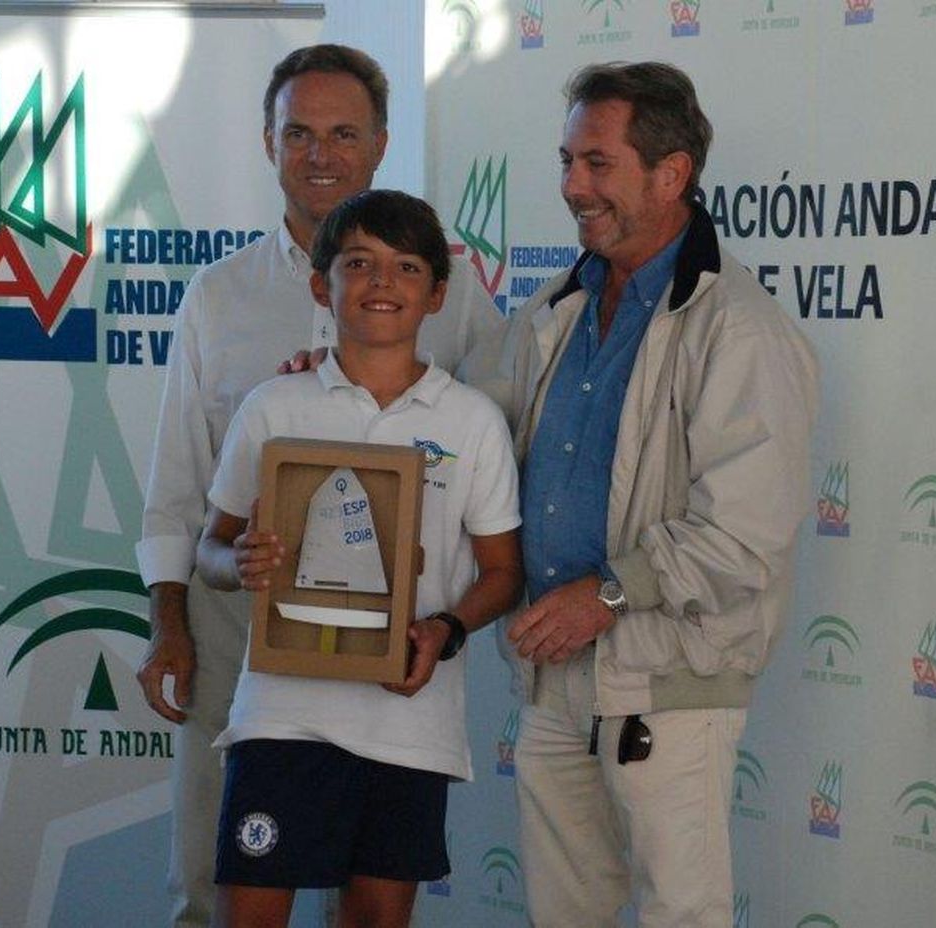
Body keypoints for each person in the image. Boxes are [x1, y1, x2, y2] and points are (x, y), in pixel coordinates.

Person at [133, 44, 502, 928]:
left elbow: (492, 461)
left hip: (392, 650)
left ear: (380, 144)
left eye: (343, 133)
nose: (321, 154)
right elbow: (180, 483)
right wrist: (169, 624)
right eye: (298, 133)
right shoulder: (217, 297)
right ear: (269, 142)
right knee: (210, 880)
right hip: (241, 640)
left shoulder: (454, 294)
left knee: (369, 900)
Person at [493, 61, 819, 927]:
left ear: (671, 175)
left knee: (681, 918)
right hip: (552, 680)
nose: (571, 186)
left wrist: (604, 595)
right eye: (566, 160)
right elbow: (459, 430)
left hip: (665, 689)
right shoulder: (552, 310)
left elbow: (745, 538)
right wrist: (338, 379)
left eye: (596, 163)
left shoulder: (739, 328)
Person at [196, 189, 521, 928]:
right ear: (322, 284)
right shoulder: (274, 404)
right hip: (282, 719)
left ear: (438, 294)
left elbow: (503, 572)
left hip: (409, 727)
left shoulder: (471, 421)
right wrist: (237, 559)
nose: (382, 283)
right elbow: (212, 550)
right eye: (359, 263)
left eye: (406, 267)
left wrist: (445, 630)